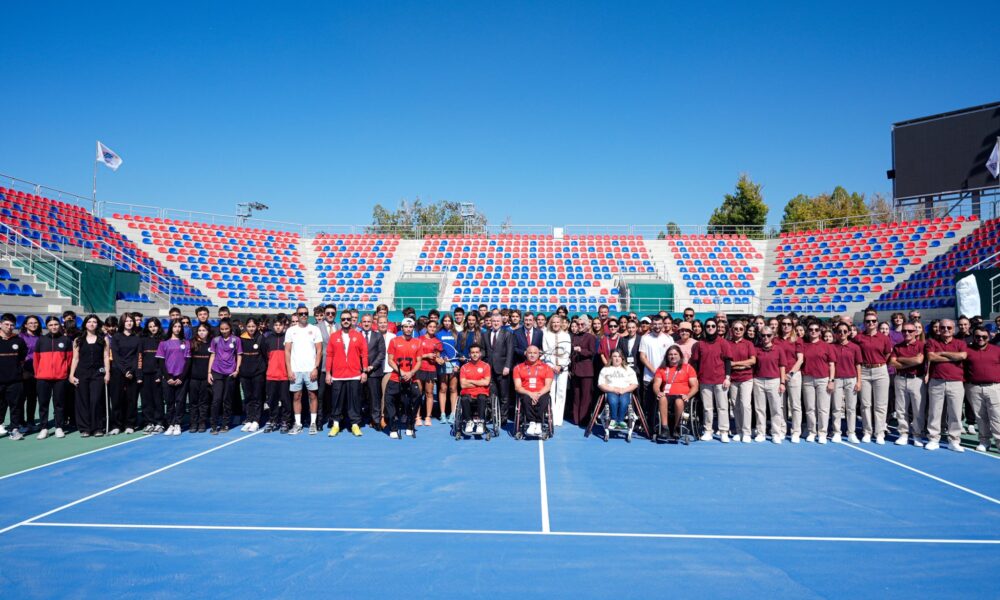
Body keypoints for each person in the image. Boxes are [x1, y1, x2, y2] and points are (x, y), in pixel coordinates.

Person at [925, 319, 967, 452]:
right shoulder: (932, 342)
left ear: (953, 329)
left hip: (956, 382)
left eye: (949, 328)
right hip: (936, 381)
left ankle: (954, 441)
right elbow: (931, 357)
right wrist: (953, 357)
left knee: (955, 413)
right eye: (943, 327)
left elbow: (962, 356)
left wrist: (942, 353)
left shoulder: (960, 343)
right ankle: (933, 439)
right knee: (934, 412)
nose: (946, 330)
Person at [854, 310, 893, 444]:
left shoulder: (884, 338)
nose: (871, 323)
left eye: (873, 321)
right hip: (864, 371)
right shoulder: (859, 338)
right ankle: (867, 431)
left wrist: (879, 362)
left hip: (880, 370)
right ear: (864, 323)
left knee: (880, 405)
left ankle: (880, 432)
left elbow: (887, 354)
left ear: (877, 322)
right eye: (868, 321)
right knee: (865, 404)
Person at [69, 314, 110, 438]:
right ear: (85, 324)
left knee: (96, 400)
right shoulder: (78, 340)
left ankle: (97, 427)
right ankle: (85, 428)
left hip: (97, 373)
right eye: (89, 321)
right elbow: (75, 358)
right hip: (82, 373)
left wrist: (107, 373)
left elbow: (106, 357)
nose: (92, 324)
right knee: (83, 401)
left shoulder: (103, 339)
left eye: (94, 322)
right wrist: (71, 375)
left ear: (97, 324)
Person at [690, 318, 731, 443]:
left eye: (713, 326)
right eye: (708, 326)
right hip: (704, 380)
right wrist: (696, 379)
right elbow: (695, 363)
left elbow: (727, 361)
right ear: (705, 328)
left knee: (722, 407)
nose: (710, 328)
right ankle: (708, 430)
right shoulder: (700, 344)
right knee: (707, 408)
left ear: (716, 328)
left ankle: (724, 431)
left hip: (720, 380)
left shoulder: (723, 343)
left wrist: (727, 377)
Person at [284, 305, 323, 435]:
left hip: (310, 370)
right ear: (297, 315)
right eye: (301, 314)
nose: (304, 315)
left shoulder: (315, 329)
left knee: (313, 396)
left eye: (305, 313)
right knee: (296, 396)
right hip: (296, 370)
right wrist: (289, 370)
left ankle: (313, 423)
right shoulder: (291, 331)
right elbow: (287, 351)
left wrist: (315, 368)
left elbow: (319, 351)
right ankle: (298, 424)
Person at [33, 317, 72, 439]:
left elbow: (69, 359)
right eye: (50, 325)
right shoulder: (41, 340)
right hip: (43, 378)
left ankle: (59, 427)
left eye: (56, 324)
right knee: (43, 404)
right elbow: (36, 359)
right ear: (47, 326)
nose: (53, 327)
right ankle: (44, 428)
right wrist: (38, 374)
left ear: (59, 325)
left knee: (59, 404)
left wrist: (64, 372)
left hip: (60, 378)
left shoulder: (66, 340)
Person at [385, 318, 422, 438]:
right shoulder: (394, 341)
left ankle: (410, 425)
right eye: (406, 327)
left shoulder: (418, 342)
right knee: (389, 400)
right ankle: (393, 427)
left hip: (412, 378)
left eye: (410, 327)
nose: (408, 329)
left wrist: (411, 373)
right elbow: (390, 360)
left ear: (413, 328)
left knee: (416, 398)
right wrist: (401, 372)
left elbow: (419, 361)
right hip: (396, 377)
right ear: (402, 328)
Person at [964, 326, 1000, 452]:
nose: (981, 339)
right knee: (980, 417)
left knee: (997, 416)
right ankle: (984, 442)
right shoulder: (967, 350)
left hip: (994, 387)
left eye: (984, 337)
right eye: (978, 336)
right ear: (973, 337)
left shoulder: (997, 350)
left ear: (988, 337)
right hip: (973, 388)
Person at [651, 345, 698, 441]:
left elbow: (695, 386)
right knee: (662, 398)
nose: (673, 356)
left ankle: (677, 428)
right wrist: (658, 392)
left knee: (679, 401)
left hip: (682, 396)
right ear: (667, 356)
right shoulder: (661, 369)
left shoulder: (688, 368)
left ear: (680, 356)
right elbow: (656, 384)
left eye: (675, 354)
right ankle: (665, 428)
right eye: (670, 354)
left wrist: (688, 395)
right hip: (667, 395)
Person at [799, 320, 834, 444]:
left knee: (823, 408)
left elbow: (831, 364)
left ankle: (822, 433)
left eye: (816, 330)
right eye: (811, 330)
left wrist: (831, 380)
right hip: (808, 379)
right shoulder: (804, 345)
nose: (813, 331)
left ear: (820, 332)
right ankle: (811, 432)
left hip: (823, 379)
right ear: (808, 332)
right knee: (810, 408)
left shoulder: (827, 346)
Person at [638, 315, 674, 430]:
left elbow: (672, 357)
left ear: (662, 324)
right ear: (651, 325)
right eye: (655, 324)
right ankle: (651, 429)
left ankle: (665, 429)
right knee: (650, 406)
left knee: (666, 405)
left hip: (666, 377)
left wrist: (662, 373)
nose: (657, 326)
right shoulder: (645, 338)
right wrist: (655, 371)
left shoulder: (668, 339)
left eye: (659, 324)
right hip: (649, 377)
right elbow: (642, 357)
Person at [208, 318, 242, 435]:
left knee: (227, 400)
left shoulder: (236, 340)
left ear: (230, 328)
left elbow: (239, 355)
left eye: (226, 329)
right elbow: (212, 355)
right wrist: (209, 372)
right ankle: (213, 425)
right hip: (217, 372)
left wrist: (237, 370)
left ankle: (225, 424)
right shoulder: (216, 340)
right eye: (222, 329)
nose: (224, 331)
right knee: (216, 399)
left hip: (230, 373)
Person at [108, 313, 141, 435]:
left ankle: (130, 424)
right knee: (117, 399)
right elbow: (116, 356)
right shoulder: (116, 337)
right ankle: (117, 425)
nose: (129, 323)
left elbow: (137, 356)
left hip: (132, 372)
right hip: (118, 371)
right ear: (122, 323)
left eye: (131, 320)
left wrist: (131, 371)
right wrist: (124, 370)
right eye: (126, 321)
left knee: (131, 399)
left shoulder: (137, 338)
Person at [156, 319, 190, 436]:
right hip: (168, 377)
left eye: (179, 326)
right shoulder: (163, 343)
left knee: (180, 402)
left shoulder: (186, 342)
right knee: (169, 402)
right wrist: (168, 377)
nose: (177, 329)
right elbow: (161, 362)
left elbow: (188, 362)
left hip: (181, 377)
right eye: (175, 326)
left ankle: (178, 424)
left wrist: (181, 377)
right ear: (171, 327)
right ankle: (170, 424)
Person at [752, 326, 785, 443]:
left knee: (775, 409)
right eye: (763, 335)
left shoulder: (779, 349)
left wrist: (782, 382)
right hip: (758, 381)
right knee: (760, 409)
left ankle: (776, 433)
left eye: (768, 335)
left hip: (774, 381)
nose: (765, 337)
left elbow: (782, 366)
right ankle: (761, 433)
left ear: (773, 336)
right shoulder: (756, 349)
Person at [727, 320, 757, 443]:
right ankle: (739, 431)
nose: (738, 331)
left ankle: (746, 432)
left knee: (745, 405)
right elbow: (727, 362)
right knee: (735, 405)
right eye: (736, 328)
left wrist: (736, 364)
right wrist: (742, 364)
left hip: (746, 378)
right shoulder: (728, 344)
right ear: (732, 330)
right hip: (733, 379)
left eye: (740, 329)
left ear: (744, 330)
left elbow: (752, 361)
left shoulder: (748, 344)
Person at [831, 322, 862, 444]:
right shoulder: (832, 347)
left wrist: (859, 381)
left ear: (849, 332)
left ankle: (851, 433)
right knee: (836, 407)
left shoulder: (855, 347)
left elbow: (858, 365)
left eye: (845, 331)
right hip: (837, 379)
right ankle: (836, 432)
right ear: (836, 333)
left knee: (851, 408)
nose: (842, 333)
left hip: (851, 379)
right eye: (839, 331)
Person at [513, 345, 553, 437]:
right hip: (526, 392)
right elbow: (517, 387)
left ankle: (538, 423)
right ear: (526, 354)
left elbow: (547, 386)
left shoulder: (547, 368)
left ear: (539, 354)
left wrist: (537, 394)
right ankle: (532, 423)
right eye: (530, 353)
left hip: (541, 392)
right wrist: (531, 394)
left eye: (535, 353)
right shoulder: (518, 368)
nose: (532, 355)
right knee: (526, 398)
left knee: (544, 398)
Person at [0, 314, 28, 440]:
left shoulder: (18, 340)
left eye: (12, 325)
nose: (9, 327)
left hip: (15, 380)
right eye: (6, 324)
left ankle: (14, 429)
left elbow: (22, 357)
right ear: (0, 324)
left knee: (16, 406)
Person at [598, 349, 639, 431]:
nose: (617, 359)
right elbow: (600, 384)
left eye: (619, 356)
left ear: (622, 358)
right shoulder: (606, 369)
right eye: (615, 356)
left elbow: (635, 384)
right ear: (611, 358)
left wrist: (625, 390)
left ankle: (620, 421)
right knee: (613, 401)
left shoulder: (628, 369)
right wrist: (612, 389)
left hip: (625, 391)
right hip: (611, 391)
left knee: (624, 402)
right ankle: (613, 420)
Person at [263, 315, 291, 433]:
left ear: (284, 326)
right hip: (271, 375)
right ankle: (273, 420)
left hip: (285, 375)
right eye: (276, 325)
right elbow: (265, 356)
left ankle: (285, 421)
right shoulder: (268, 339)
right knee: (272, 400)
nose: (278, 327)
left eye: (280, 325)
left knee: (285, 400)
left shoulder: (288, 338)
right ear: (273, 326)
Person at [238, 317, 267, 432]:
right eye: (249, 326)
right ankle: (249, 419)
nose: (251, 329)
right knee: (248, 397)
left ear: (257, 327)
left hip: (258, 374)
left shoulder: (261, 338)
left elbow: (265, 356)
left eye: (253, 326)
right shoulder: (241, 338)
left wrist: (262, 370)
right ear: (246, 327)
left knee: (257, 397)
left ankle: (256, 421)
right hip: (244, 373)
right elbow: (239, 355)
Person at [542, 315, 571, 427]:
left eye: (558, 322)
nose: (555, 324)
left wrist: (560, 365)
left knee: (561, 393)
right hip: (550, 367)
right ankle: (551, 416)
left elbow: (567, 352)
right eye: (553, 322)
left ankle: (559, 418)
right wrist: (553, 365)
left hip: (563, 368)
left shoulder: (566, 335)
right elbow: (546, 352)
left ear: (561, 323)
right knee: (551, 392)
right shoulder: (546, 334)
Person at [138, 318, 165, 434]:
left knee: (158, 400)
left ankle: (159, 422)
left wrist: (159, 373)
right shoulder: (143, 340)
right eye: (150, 327)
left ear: (158, 326)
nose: (153, 328)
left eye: (154, 326)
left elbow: (163, 360)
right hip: (145, 375)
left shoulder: (163, 340)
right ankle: (149, 422)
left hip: (157, 375)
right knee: (146, 400)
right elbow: (139, 358)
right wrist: (139, 374)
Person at [570, 315, 598, 426]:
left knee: (586, 397)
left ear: (587, 325)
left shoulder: (591, 337)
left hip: (586, 371)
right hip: (575, 370)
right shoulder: (574, 337)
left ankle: (583, 419)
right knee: (576, 396)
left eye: (582, 324)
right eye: (578, 324)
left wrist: (580, 350)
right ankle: (576, 419)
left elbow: (592, 352)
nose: (580, 326)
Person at [359, 313, 386, 428]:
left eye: (368, 321)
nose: (366, 324)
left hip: (374, 373)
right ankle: (357, 420)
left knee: (375, 398)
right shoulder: (356, 335)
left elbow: (382, 353)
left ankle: (376, 420)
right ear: (361, 323)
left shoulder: (378, 336)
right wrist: (361, 368)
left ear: (372, 323)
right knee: (358, 398)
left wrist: (372, 366)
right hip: (358, 372)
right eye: (364, 322)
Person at [485, 313, 513, 421]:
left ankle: (503, 417)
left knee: (504, 395)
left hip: (502, 369)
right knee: (492, 394)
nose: (495, 323)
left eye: (498, 321)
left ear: (501, 322)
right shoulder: (486, 334)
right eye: (494, 321)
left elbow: (510, 351)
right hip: (489, 369)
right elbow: (483, 350)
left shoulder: (507, 334)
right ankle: (493, 416)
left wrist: (507, 366)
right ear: (490, 322)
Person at [459, 344, 491, 435]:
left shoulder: (486, 366)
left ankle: (480, 422)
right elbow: (463, 385)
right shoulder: (464, 367)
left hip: (482, 392)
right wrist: (479, 382)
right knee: (464, 398)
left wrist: (469, 381)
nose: (475, 354)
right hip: (467, 392)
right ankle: (469, 422)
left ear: (480, 354)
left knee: (481, 397)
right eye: (472, 352)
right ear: (469, 354)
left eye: (477, 352)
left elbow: (486, 382)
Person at [19, 315, 40, 433]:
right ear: (25, 325)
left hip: (37, 371)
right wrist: (22, 370)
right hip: (24, 371)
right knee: (21, 398)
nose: (33, 325)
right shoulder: (21, 337)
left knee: (32, 398)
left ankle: (30, 421)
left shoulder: (41, 337)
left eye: (35, 322)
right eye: (30, 323)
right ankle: (21, 422)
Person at [436, 314, 459, 424]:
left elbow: (458, 350)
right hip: (443, 364)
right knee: (443, 388)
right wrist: (440, 358)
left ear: (452, 322)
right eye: (445, 321)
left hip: (454, 364)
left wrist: (457, 364)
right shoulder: (438, 334)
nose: (447, 323)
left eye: (449, 321)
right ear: (442, 322)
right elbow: (436, 350)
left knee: (453, 388)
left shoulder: (456, 334)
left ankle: (453, 414)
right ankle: (442, 414)